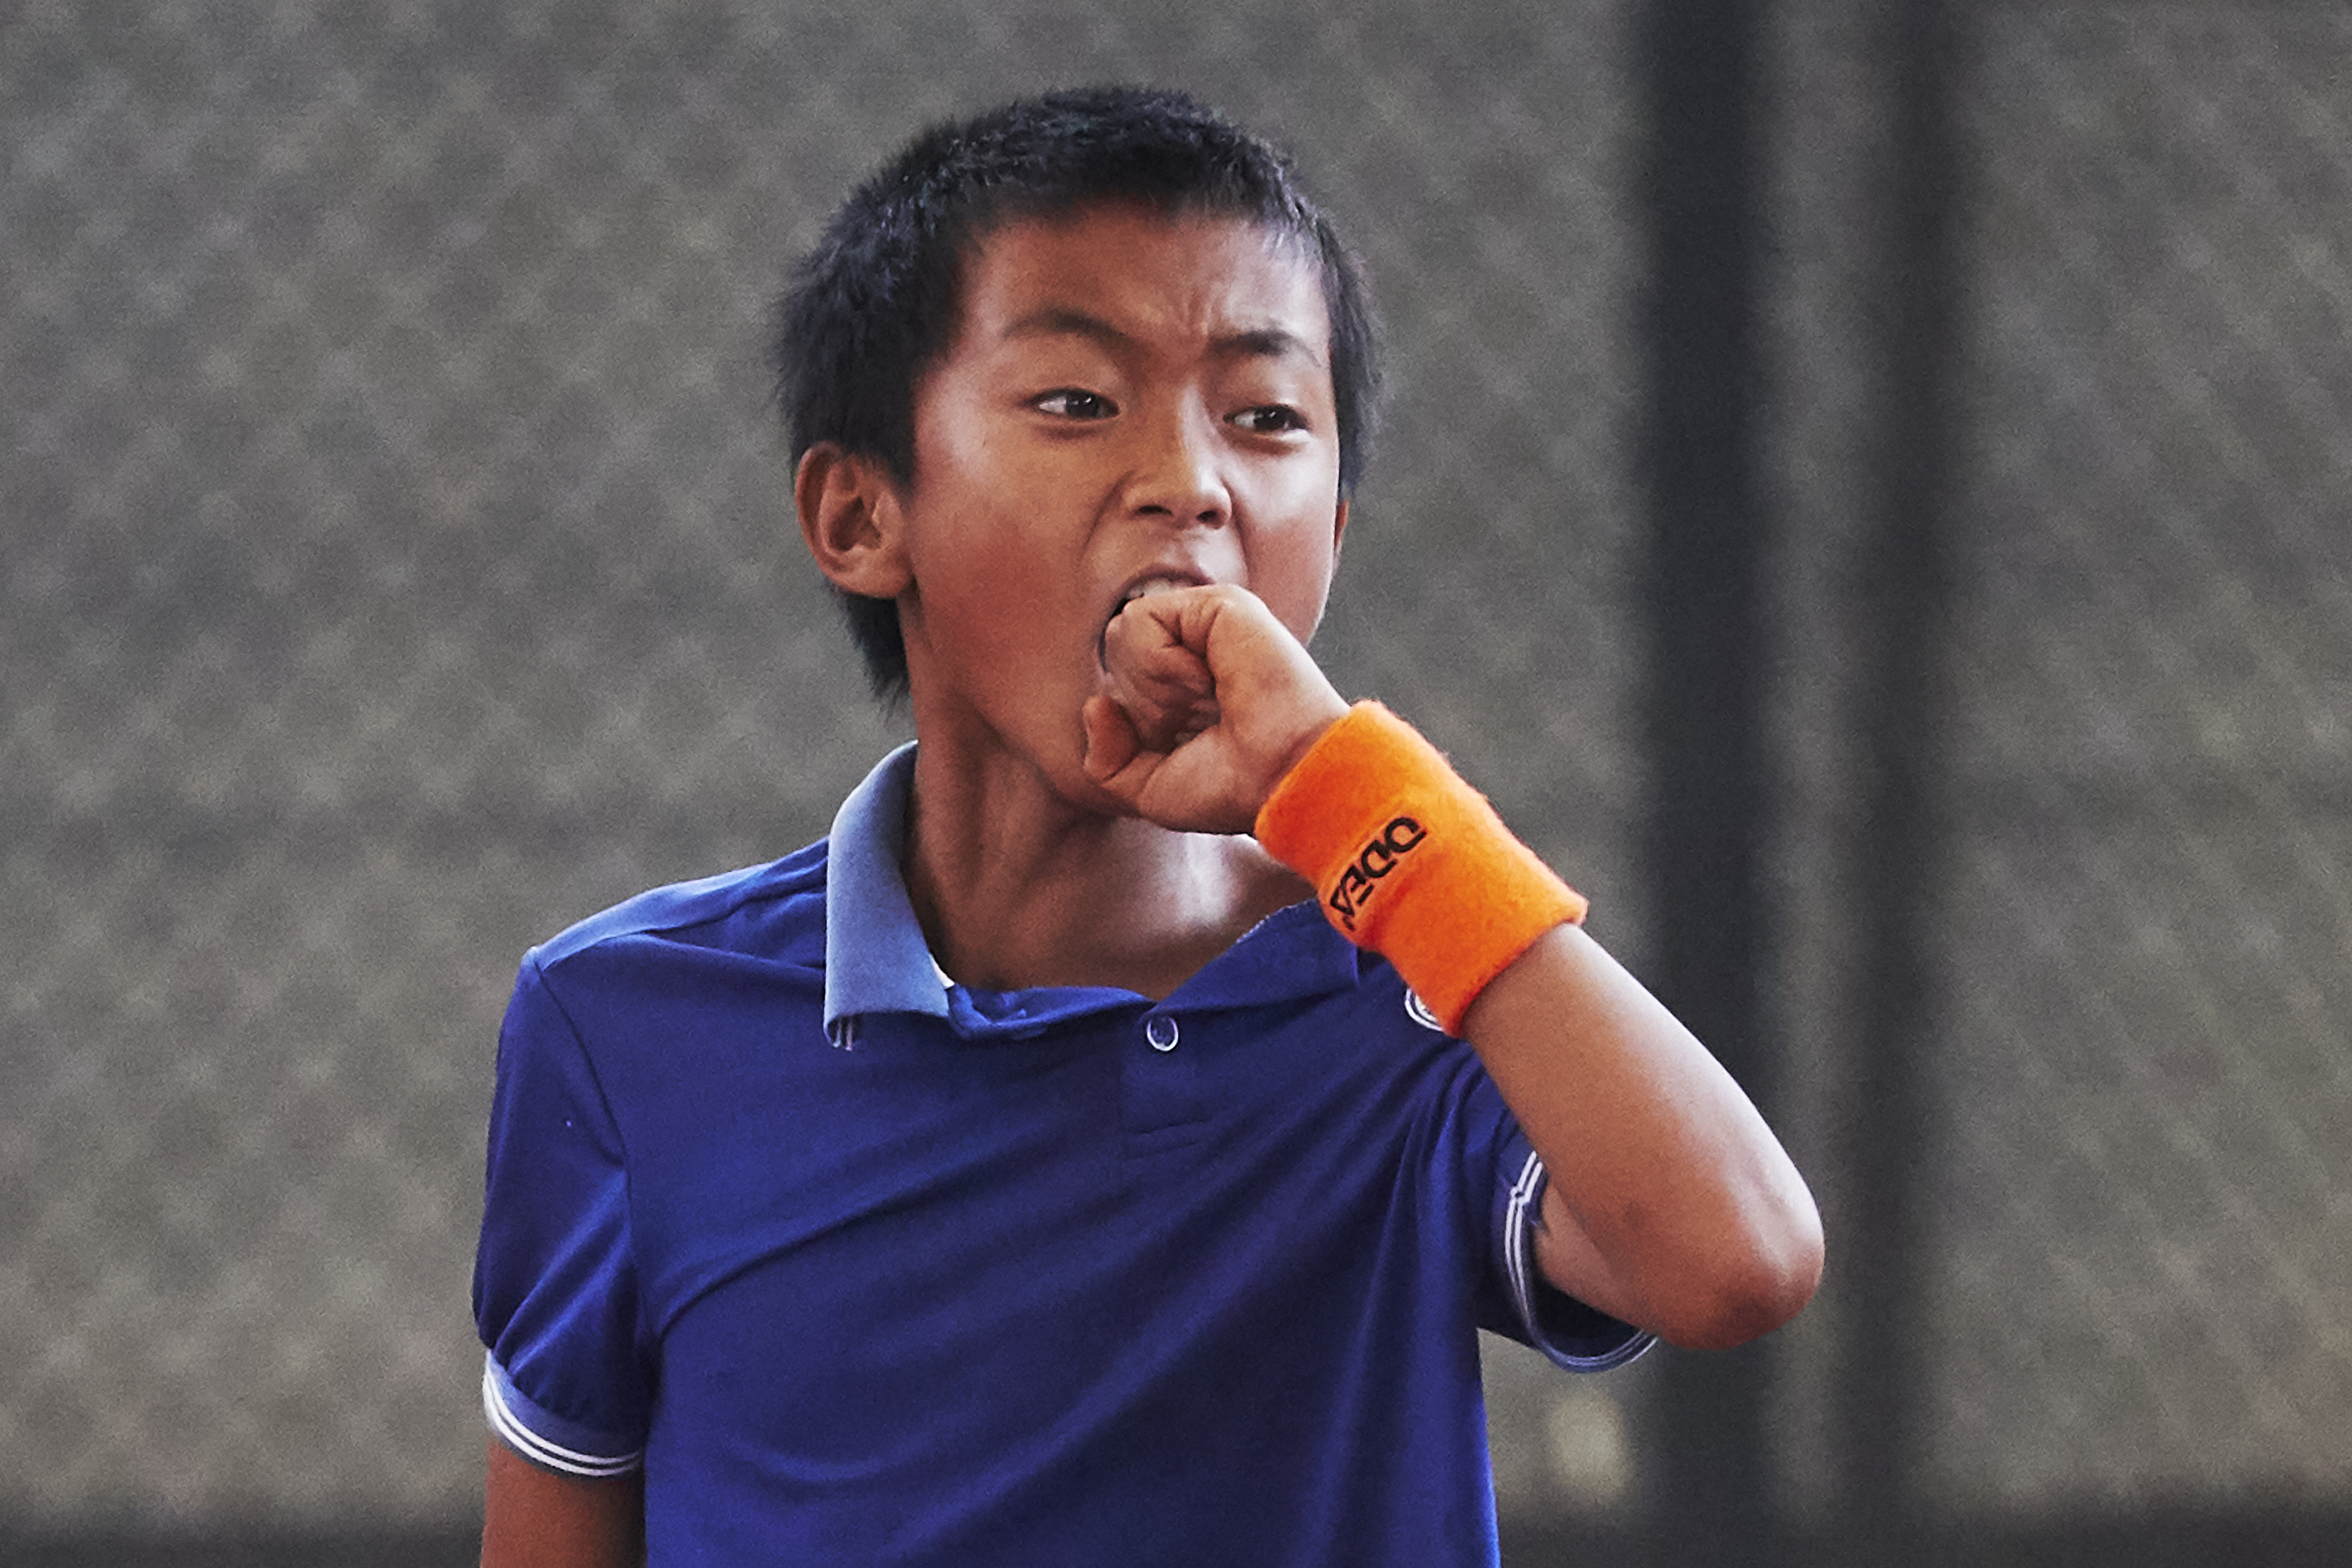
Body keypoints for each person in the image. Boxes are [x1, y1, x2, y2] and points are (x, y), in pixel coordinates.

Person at [472, 85, 1822, 1567]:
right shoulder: (623, 1021)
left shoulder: (1421, 990)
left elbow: (1738, 1260)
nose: (1190, 482)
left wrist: (1357, 795)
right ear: (860, 516)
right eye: (1075, 401)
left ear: (1331, 534)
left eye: (1266, 417)